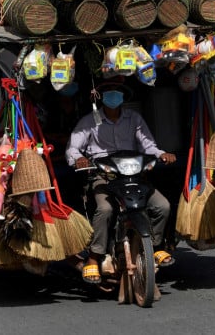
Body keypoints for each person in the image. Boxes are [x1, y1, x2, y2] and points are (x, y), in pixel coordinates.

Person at [65, 83, 177, 284]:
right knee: (105, 209)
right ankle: (94, 257)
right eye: (110, 93)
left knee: (163, 206)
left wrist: (162, 154)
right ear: (102, 97)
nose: (114, 97)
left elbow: (148, 145)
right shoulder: (90, 121)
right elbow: (72, 148)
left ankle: (156, 246)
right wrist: (78, 159)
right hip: (104, 175)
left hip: (133, 175)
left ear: (124, 98)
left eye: (118, 93)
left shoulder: (134, 119)